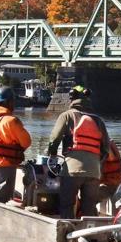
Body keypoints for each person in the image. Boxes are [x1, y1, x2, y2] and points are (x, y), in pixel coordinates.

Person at [46, 85, 110, 218]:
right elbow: (106, 149)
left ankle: (67, 234)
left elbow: (54, 139)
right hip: (94, 171)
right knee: (89, 207)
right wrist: (96, 163)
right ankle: (90, 235)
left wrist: (52, 154)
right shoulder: (98, 121)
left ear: (72, 99)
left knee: (67, 205)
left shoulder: (67, 116)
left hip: (72, 170)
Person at [0, 86, 32, 203]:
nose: (14, 105)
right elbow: (26, 142)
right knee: (0, 203)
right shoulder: (11, 121)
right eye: (13, 102)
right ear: (8, 102)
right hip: (3, 166)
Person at [98, 139, 121, 206]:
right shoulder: (107, 143)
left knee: (87, 194)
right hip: (108, 185)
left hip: (113, 187)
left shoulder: (106, 146)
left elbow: (111, 157)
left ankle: (86, 213)